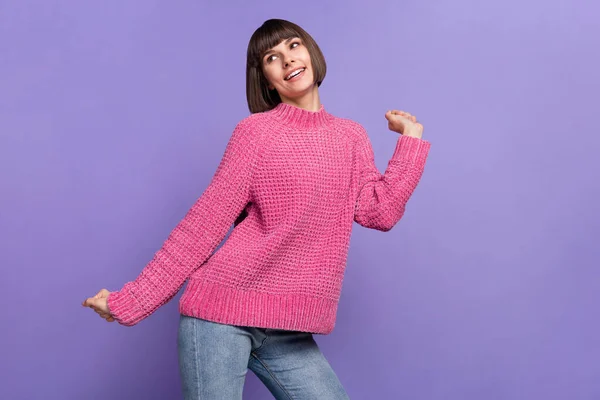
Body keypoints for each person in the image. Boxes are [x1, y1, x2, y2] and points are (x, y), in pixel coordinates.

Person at [82, 18, 431, 399]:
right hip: (220, 316)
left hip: (288, 328)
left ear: (311, 52)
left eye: (294, 46)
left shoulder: (350, 136)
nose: (287, 60)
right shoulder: (256, 133)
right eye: (272, 57)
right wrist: (130, 300)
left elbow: (379, 212)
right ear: (265, 78)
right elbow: (203, 225)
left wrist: (410, 142)